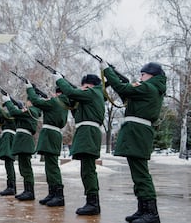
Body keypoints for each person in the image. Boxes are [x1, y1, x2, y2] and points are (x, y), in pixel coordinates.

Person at [101, 61, 166, 223]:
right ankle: (143, 209)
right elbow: (128, 95)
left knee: (141, 174)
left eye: (143, 74)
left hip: (138, 133)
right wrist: (118, 78)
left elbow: (123, 89)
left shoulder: (148, 87)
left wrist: (107, 71)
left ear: (152, 75)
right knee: (138, 174)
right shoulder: (149, 89)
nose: (140, 77)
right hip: (137, 133)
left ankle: (151, 213)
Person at [54, 73, 105, 215]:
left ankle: (93, 204)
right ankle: (91, 201)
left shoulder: (92, 92)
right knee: (86, 170)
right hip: (86, 132)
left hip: (88, 132)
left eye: (83, 86)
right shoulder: (92, 96)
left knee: (88, 170)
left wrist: (59, 79)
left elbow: (71, 92)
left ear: (88, 85)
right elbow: (76, 112)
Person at [25, 81, 69, 207]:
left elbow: (36, 101)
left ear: (59, 93)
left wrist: (30, 88)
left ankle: (59, 196)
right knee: (49, 166)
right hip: (51, 134)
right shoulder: (63, 103)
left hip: (51, 134)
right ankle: (53, 193)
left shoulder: (56, 102)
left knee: (52, 166)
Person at [1, 94, 41, 201]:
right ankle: (27, 190)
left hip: (25, 141)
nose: (26, 103)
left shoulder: (32, 111)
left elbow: (14, 113)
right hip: (22, 141)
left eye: (27, 101)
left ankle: (30, 192)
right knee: (23, 168)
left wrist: (9, 102)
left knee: (26, 168)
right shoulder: (30, 111)